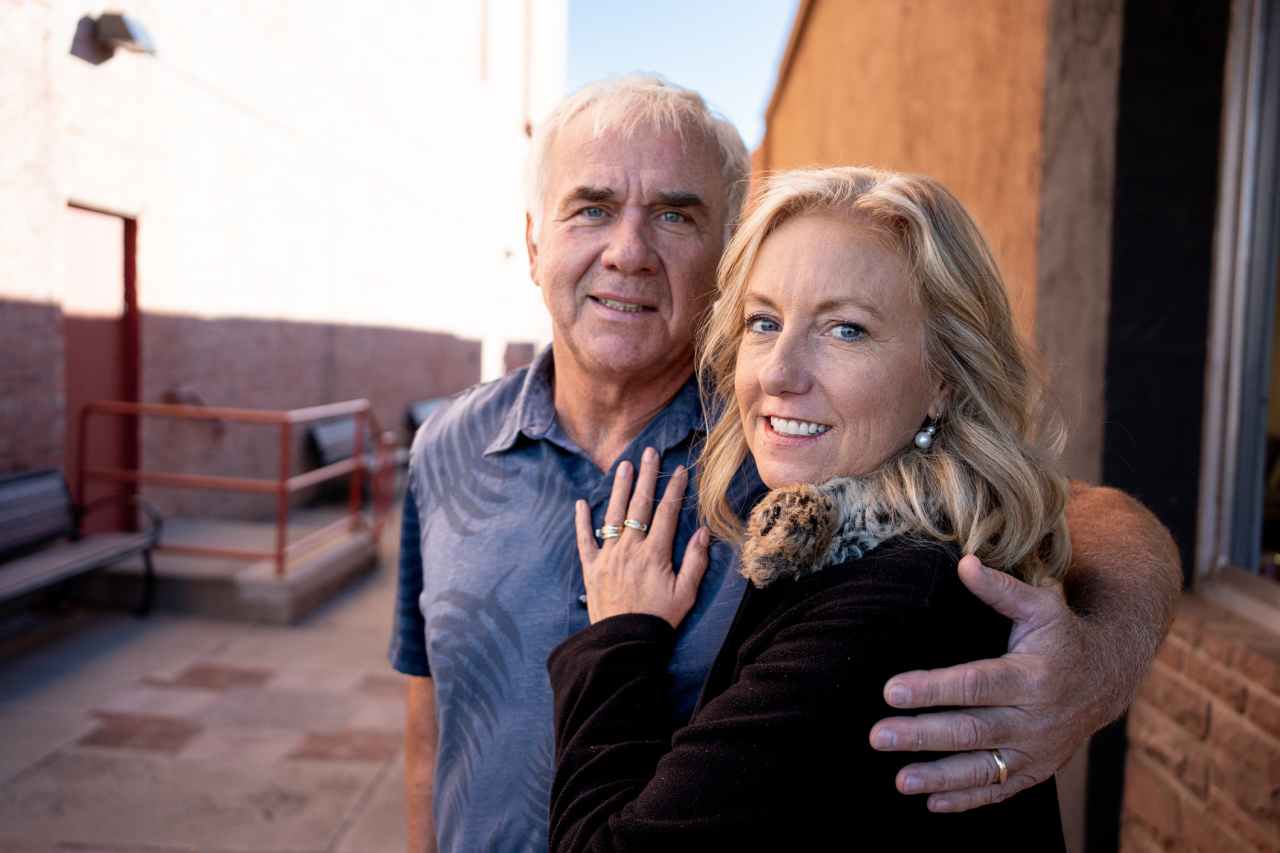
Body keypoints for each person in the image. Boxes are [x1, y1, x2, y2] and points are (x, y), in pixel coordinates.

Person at [391, 76, 1181, 853]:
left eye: (675, 214)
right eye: (591, 208)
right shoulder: (445, 447)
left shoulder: (791, 451)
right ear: (535, 241)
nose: (628, 251)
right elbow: (432, 731)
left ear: (726, 253)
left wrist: (1097, 659)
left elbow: (1064, 512)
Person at [548, 165, 1076, 849]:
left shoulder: (892, 605)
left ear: (943, 379)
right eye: (764, 321)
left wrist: (618, 639)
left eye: (845, 330)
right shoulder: (863, 543)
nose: (778, 371)